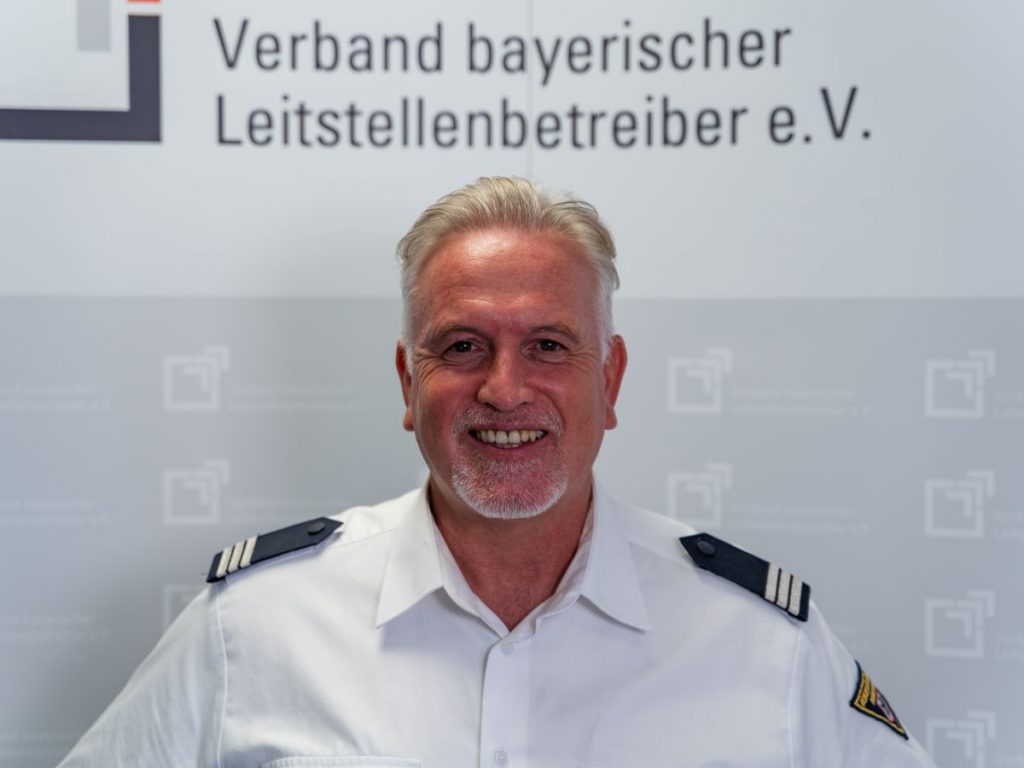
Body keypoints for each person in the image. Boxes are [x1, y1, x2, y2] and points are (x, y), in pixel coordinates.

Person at [57, 177, 936, 767]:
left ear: (610, 380)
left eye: (548, 345)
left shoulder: (765, 644)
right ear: (408, 382)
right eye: (462, 346)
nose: (505, 389)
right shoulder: (252, 627)